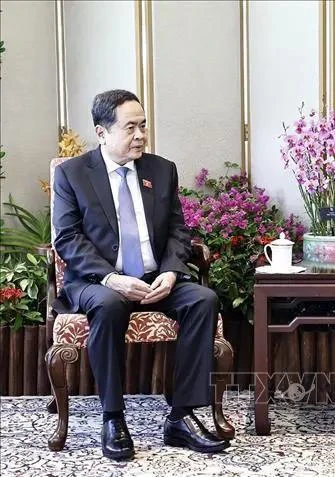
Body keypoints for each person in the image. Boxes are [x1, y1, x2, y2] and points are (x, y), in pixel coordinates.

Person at [52, 90, 230, 460]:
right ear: (102, 133)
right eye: (130, 127)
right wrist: (111, 278)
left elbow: (180, 231)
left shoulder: (161, 169)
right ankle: (113, 418)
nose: (140, 135)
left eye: (143, 125)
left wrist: (170, 272)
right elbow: (66, 238)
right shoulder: (73, 174)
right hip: (98, 283)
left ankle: (181, 416)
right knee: (109, 305)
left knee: (203, 299)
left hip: (155, 278)